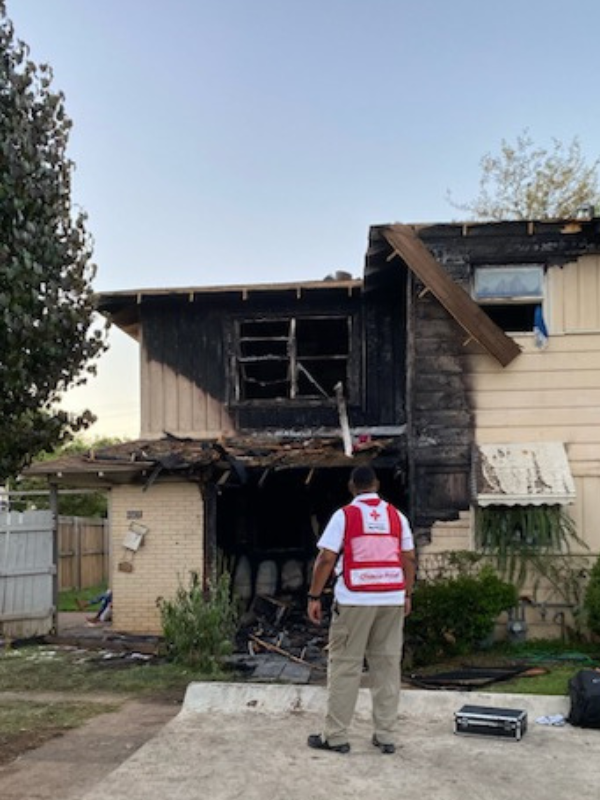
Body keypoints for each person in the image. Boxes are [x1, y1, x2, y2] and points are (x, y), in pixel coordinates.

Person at [306, 464, 416, 755]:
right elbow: (409, 558)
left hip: (355, 599)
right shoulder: (397, 516)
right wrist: (407, 593)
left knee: (345, 666)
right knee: (387, 666)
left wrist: (314, 595)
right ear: (377, 484)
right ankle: (386, 735)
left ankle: (337, 737)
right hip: (391, 597)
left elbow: (326, 559)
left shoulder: (345, 516)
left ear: (352, 487)